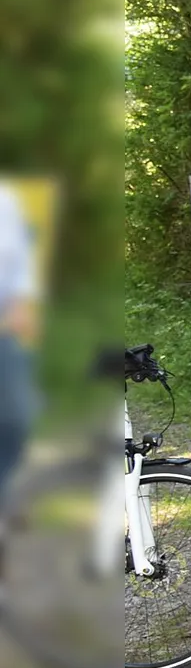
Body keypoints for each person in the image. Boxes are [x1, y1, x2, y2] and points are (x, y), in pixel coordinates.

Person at [0, 182, 38, 501]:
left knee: (18, 417)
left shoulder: (6, 198)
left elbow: (21, 261)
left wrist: (22, 305)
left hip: (5, 331)